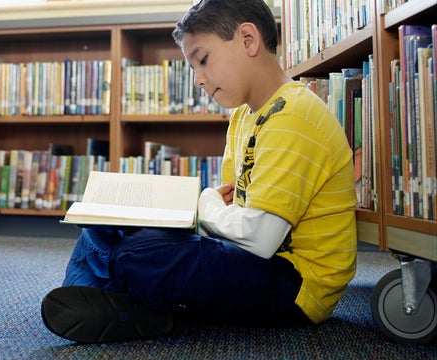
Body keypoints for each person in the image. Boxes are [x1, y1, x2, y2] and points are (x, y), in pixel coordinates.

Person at [41, 0, 357, 344]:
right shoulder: (243, 117)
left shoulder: (293, 116)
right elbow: (234, 211)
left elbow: (259, 237)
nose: (199, 80)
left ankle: (118, 299)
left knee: (142, 252)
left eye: (203, 60)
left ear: (248, 40)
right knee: (100, 228)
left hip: (298, 285)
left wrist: (205, 205)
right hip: (254, 259)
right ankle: (120, 300)